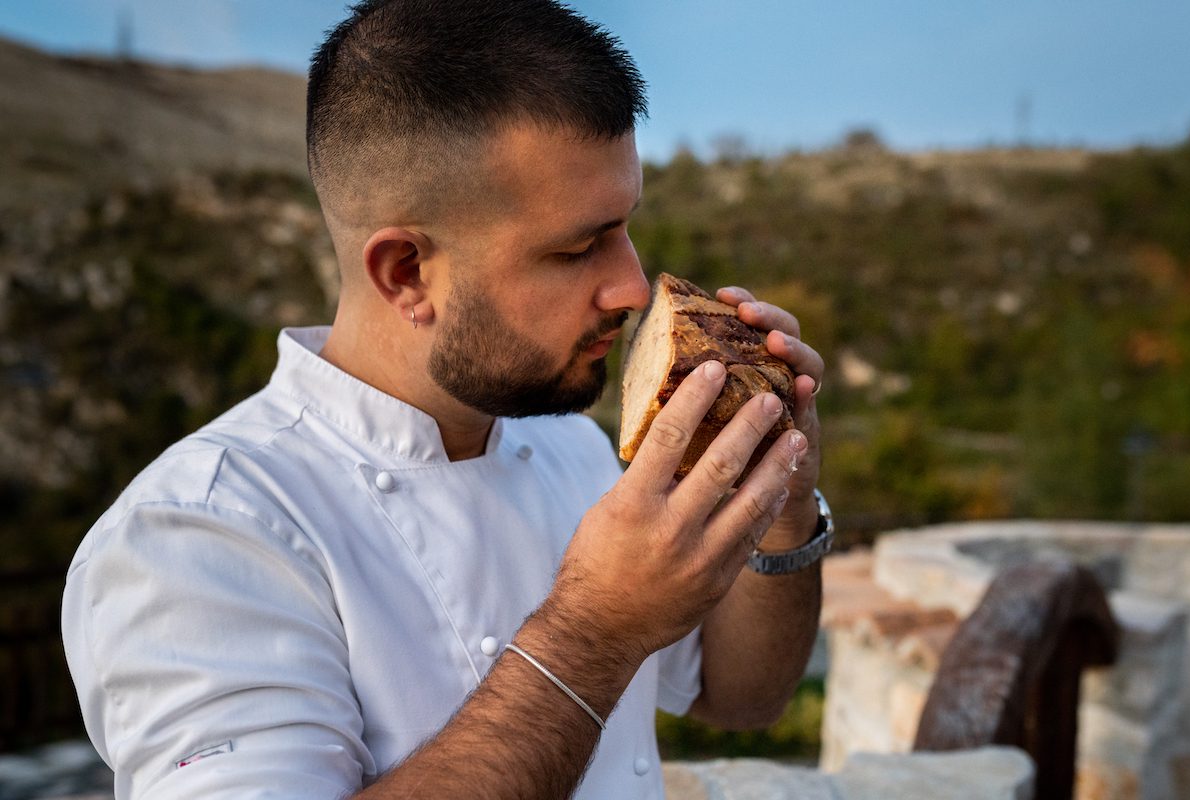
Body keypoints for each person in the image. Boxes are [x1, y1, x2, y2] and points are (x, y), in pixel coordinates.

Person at [61, 1, 829, 798]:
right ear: (406, 273)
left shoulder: (573, 445)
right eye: (576, 248)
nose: (634, 286)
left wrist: (782, 495)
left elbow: (745, 698)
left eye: (624, 226)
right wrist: (596, 632)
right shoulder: (198, 536)